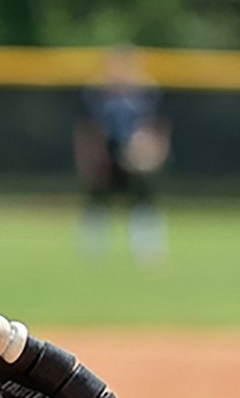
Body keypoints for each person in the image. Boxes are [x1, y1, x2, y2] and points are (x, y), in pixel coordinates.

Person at [73, 44, 171, 265]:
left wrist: (154, 152)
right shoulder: (96, 95)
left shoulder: (146, 94)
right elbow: (87, 131)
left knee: (143, 203)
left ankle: (148, 253)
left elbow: (157, 128)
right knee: (97, 204)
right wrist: (89, 159)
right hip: (105, 157)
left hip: (136, 158)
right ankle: (92, 255)